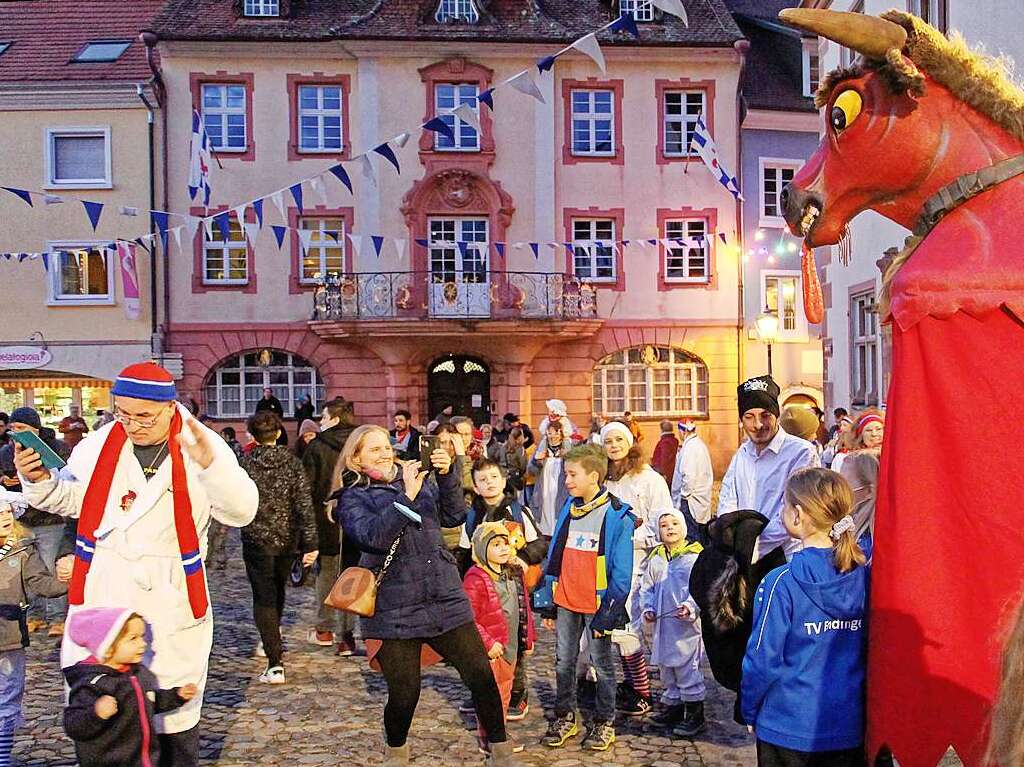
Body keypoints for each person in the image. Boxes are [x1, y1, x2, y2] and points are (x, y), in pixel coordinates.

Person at [13, 361, 258, 766]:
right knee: (102, 712)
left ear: (169, 407)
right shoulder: (101, 441)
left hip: (169, 590)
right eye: (123, 413)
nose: (132, 424)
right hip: (108, 588)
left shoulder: (202, 443)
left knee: (172, 723)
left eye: (143, 416)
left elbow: (241, 511)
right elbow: (72, 500)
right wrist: (39, 480)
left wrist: (211, 469)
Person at [334, 425, 514, 767]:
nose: (386, 453)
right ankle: (396, 753)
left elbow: (454, 516)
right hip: (393, 607)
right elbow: (372, 537)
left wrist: (446, 476)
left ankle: (501, 754)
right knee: (405, 694)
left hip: (443, 596)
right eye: (374, 450)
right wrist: (406, 499)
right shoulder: (352, 496)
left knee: (481, 675)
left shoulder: (412, 475)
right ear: (355, 458)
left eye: (387, 446)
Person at [741, 468, 868, 767]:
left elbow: (762, 658)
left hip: (787, 725)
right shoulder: (866, 577)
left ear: (797, 515)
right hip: (848, 724)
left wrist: (749, 708)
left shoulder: (780, 582)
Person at [535, 444, 634, 752]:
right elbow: (556, 555)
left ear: (594, 476)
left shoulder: (619, 515)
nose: (566, 480)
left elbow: (621, 573)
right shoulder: (569, 506)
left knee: (602, 664)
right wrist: (548, 602)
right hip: (565, 601)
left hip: (597, 606)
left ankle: (604, 721)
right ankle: (564, 716)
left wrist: (610, 611)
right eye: (566, 474)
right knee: (563, 661)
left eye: (572, 474)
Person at [458, 458, 547, 721]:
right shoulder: (473, 514)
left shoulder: (518, 511)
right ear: (475, 485)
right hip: (482, 588)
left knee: (513, 642)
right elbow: (463, 552)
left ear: (504, 480)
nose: (489, 483)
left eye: (494, 477)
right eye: (483, 479)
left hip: (511, 586)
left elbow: (539, 544)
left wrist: (525, 557)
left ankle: (517, 693)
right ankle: (485, 691)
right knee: (481, 642)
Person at [601, 420, 674, 718]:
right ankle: (624, 684)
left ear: (629, 442)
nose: (614, 445)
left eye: (619, 439)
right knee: (608, 625)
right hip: (604, 563)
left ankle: (641, 691)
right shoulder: (604, 478)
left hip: (635, 563)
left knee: (626, 625)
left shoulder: (649, 479)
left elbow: (662, 522)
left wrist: (628, 537)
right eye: (609, 441)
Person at [239, 412, 319, 683]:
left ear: (252, 435)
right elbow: (304, 504)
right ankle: (272, 637)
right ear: (278, 433)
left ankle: (274, 660)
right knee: (276, 590)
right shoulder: (292, 462)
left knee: (263, 597)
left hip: (256, 538)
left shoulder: (246, 463)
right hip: (287, 538)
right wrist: (310, 542)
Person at [63, 608, 198, 767]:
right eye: (133, 638)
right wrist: (96, 713)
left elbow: (150, 701)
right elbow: (74, 725)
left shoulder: (137, 674)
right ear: (108, 647)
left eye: (142, 637)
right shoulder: (92, 684)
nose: (143, 644)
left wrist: (177, 696)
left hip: (143, 760)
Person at [718, 376, 819, 562]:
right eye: (749, 417)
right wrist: (730, 536)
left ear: (776, 415)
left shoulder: (801, 452)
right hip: (744, 557)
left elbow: (797, 510)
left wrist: (752, 547)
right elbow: (727, 500)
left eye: (765, 416)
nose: (758, 425)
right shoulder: (742, 453)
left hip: (787, 557)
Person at [0, 488, 66, 767]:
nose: (4, 516)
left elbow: (42, 583)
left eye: (6, 511)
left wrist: (77, 581)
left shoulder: (23, 550)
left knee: (7, 698)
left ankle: (2, 757)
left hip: (10, 637)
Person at [463, 523, 535, 754]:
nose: (504, 549)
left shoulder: (513, 574)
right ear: (483, 549)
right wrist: (487, 643)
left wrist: (528, 639)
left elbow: (524, 607)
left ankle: (499, 731)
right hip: (492, 649)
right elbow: (468, 618)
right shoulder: (475, 579)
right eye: (496, 545)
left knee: (504, 692)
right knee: (489, 694)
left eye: (505, 543)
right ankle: (489, 737)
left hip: (510, 647)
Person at [0, 407, 71, 637]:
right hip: (22, 520)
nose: (16, 433)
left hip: (51, 520)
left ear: (35, 429)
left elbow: (67, 477)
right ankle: (34, 615)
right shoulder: (5, 451)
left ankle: (58, 618)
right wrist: (5, 479)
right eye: (13, 429)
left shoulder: (57, 447)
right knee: (25, 571)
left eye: (22, 429)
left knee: (51, 569)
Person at [301, 396, 358, 655]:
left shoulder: (318, 446)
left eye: (323, 417)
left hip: (327, 518)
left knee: (327, 574)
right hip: (358, 519)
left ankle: (325, 628)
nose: (320, 422)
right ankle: (346, 636)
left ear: (334, 419)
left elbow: (307, 489)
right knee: (351, 576)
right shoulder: (361, 443)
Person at [640, 508, 705, 735]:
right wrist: (648, 607)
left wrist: (689, 607)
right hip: (663, 625)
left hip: (685, 626)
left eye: (674, 524)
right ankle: (674, 706)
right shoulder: (656, 559)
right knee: (667, 667)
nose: (669, 528)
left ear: (684, 528)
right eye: (664, 525)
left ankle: (695, 712)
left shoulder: (693, 558)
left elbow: (700, 588)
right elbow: (647, 587)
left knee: (687, 667)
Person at [671, 421, 713, 548]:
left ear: (682, 431)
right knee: (701, 535)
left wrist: (683, 496)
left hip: (690, 501)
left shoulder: (690, 448)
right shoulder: (699, 445)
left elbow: (688, 476)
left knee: (692, 539)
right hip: (700, 498)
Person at [527, 421, 569, 537]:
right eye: (549, 433)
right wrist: (537, 461)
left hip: (561, 490)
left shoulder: (567, 447)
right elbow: (531, 471)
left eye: (553, 433)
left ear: (560, 433)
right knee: (544, 517)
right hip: (543, 490)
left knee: (558, 516)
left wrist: (566, 457)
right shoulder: (541, 447)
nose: (551, 436)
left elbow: (574, 468)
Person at [838, 450, 880, 547]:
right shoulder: (847, 523)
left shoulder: (865, 544)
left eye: (843, 484)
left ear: (869, 491)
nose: (837, 490)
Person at [831, 411, 885, 475]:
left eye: (878, 429)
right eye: (868, 430)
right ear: (861, 435)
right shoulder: (851, 459)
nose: (874, 434)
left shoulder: (891, 454)